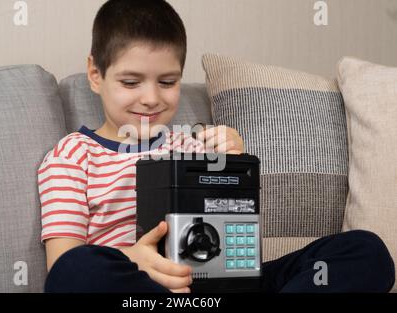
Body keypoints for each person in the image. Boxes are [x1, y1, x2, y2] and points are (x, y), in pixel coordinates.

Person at [38, 0, 394, 293]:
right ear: (96, 74)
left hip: (222, 282)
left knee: (365, 250)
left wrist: (234, 162)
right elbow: (62, 263)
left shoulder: (194, 144)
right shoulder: (73, 155)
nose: (150, 98)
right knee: (76, 269)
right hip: (147, 287)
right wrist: (134, 258)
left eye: (167, 81)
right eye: (131, 82)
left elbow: (235, 228)